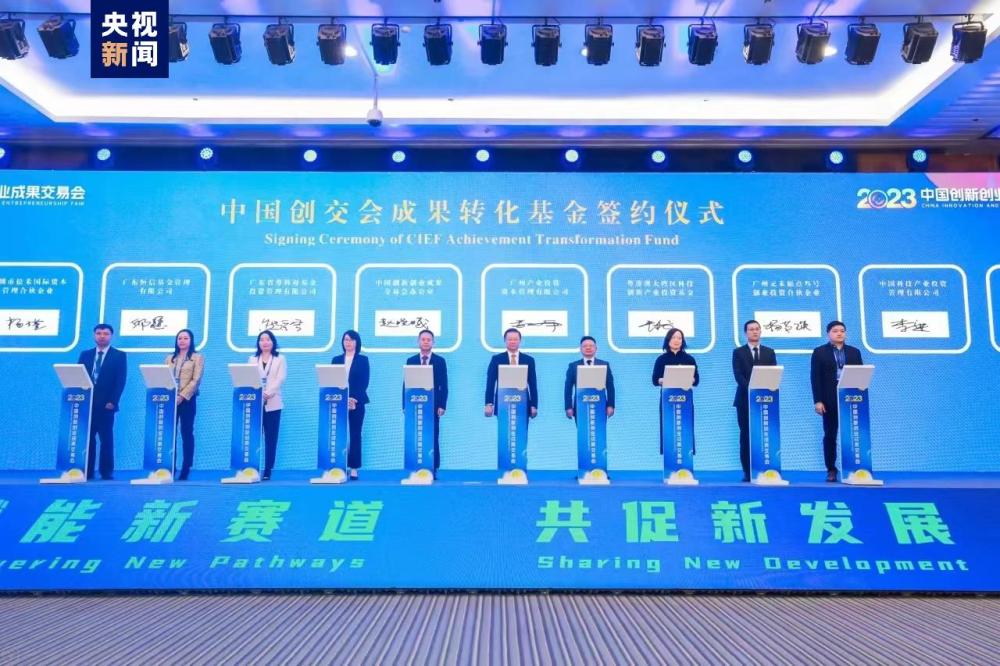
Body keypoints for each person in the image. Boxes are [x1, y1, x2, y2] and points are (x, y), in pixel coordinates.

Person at [811, 320, 864, 482]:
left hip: (850, 397)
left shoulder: (854, 352)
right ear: (828, 334)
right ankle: (831, 469)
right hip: (829, 398)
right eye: (835, 331)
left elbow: (861, 374)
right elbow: (815, 378)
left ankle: (854, 468)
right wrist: (818, 401)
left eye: (842, 330)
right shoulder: (819, 352)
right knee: (830, 434)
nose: (839, 333)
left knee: (853, 433)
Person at [77, 323, 127, 480]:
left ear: (111, 336)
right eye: (99, 333)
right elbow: (78, 376)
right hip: (87, 404)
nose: (102, 336)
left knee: (106, 439)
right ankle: (87, 471)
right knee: (88, 439)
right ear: (94, 335)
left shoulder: (119, 355)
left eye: (105, 333)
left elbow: (120, 381)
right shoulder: (85, 355)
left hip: (107, 405)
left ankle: (106, 472)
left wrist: (113, 401)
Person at [732, 320, 778, 482]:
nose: (755, 331)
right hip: (744, 400)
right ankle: (747, 471)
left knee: (765, 434)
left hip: (766, 400)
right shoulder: (738, 352)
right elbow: (738, 375)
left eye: (757, 329)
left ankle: (767, 468)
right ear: (746, 333)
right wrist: (752, 390)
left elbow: (773, 374)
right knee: (746, 435)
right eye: (751, 329)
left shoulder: (769, 352)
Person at [403, 329, 448, 472]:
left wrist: (442, 405)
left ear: (433, 342)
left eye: (429, 340)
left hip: (433, 405)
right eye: (423, 339)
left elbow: (444, 385)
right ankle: (414, 466)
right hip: (414, 404)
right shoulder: (411, 361)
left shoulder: (440, 361)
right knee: (415, 434)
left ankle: (433, 467)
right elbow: (406, 384)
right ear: (418, 342)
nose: (426, 342)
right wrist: (404, 405)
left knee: (432, 434)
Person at [651, 328, 699, 454]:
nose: (676, 340)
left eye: (679, 338)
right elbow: (654, 380)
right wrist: (665, 379)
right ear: (668, 340)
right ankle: (669, 457)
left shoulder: (689, 359)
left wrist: (690, 378)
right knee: (668, 428)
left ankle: (687, 457)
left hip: (685, 399)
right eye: (673, 337)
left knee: (686, 428)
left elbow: (697, 380)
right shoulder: (661, 359)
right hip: (667, 399)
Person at [166, 328, 204, 481]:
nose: (182, 341)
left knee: (186, 432)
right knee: (170, 434)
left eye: (185, 338)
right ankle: (169, 467)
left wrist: (182, 396)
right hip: (170, 400)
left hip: (187, 400)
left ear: (191, 340)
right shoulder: (169, 358)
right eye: (179, 338)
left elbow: (196, 380)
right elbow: (164, 377)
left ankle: (186, 467)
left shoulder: (197, 358)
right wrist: (171, 396)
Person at [332, 330, 370, 479]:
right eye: (346, 340)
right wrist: (343, 399)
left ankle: (354, 467)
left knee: (355, 434)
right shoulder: (336, 360)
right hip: (338, 401)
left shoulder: (363, 360)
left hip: (357, 402)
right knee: (338, 433)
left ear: (356, 342)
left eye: (351, 340)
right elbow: (332, 381)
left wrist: (352, 398)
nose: (348, 342)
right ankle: (338, 466)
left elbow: (364, 382)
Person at [250, 330, 286, 481]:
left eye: (268, 339)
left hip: (273, 403)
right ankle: (252, 467)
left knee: (271, 438)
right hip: (256, 404)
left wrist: (269, 392)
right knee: (254, 436)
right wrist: (259, 393)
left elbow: (280, 378)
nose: (265, 342)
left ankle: (268, 469)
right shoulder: (252, 359)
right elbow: (249, 378)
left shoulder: (280, 359)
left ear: (273, 342)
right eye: (262, 339)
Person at [484, 328, 538, 420]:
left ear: (520, 341)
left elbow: (533, 384)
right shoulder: (496, 359)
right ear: (505, 341)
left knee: (521, 428)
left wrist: (534, 405)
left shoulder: (529, 360)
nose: (512, 342)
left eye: (515, 339)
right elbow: (490, 383)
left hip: (523, 403)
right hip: (502, 403)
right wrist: (489, 404)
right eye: (510, 339)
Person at [564, 335, 616, 420]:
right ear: (580, 349)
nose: (588, 348)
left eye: (591, 346)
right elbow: (568, 388)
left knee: (599, 428)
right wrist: (568, 407)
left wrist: (611, 405)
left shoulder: (604, 365)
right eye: (585, 346)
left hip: (600, 405)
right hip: (580, 406)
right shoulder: (573, 366)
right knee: (582, 428)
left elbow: (610, 387)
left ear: (596, 348)